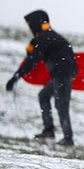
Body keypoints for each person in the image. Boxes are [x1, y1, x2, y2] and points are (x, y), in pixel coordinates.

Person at [5, 10, 78, 146]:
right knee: (44, 96)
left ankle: (68, 139)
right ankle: (49, 129)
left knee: (61, 105)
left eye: (30, 25)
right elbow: (34, 56)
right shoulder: (46, 36)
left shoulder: (44, 37)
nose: (29, 28)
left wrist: (16, 77)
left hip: (63, 74)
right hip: (60, 73)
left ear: (36, 23)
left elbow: (32, 61)